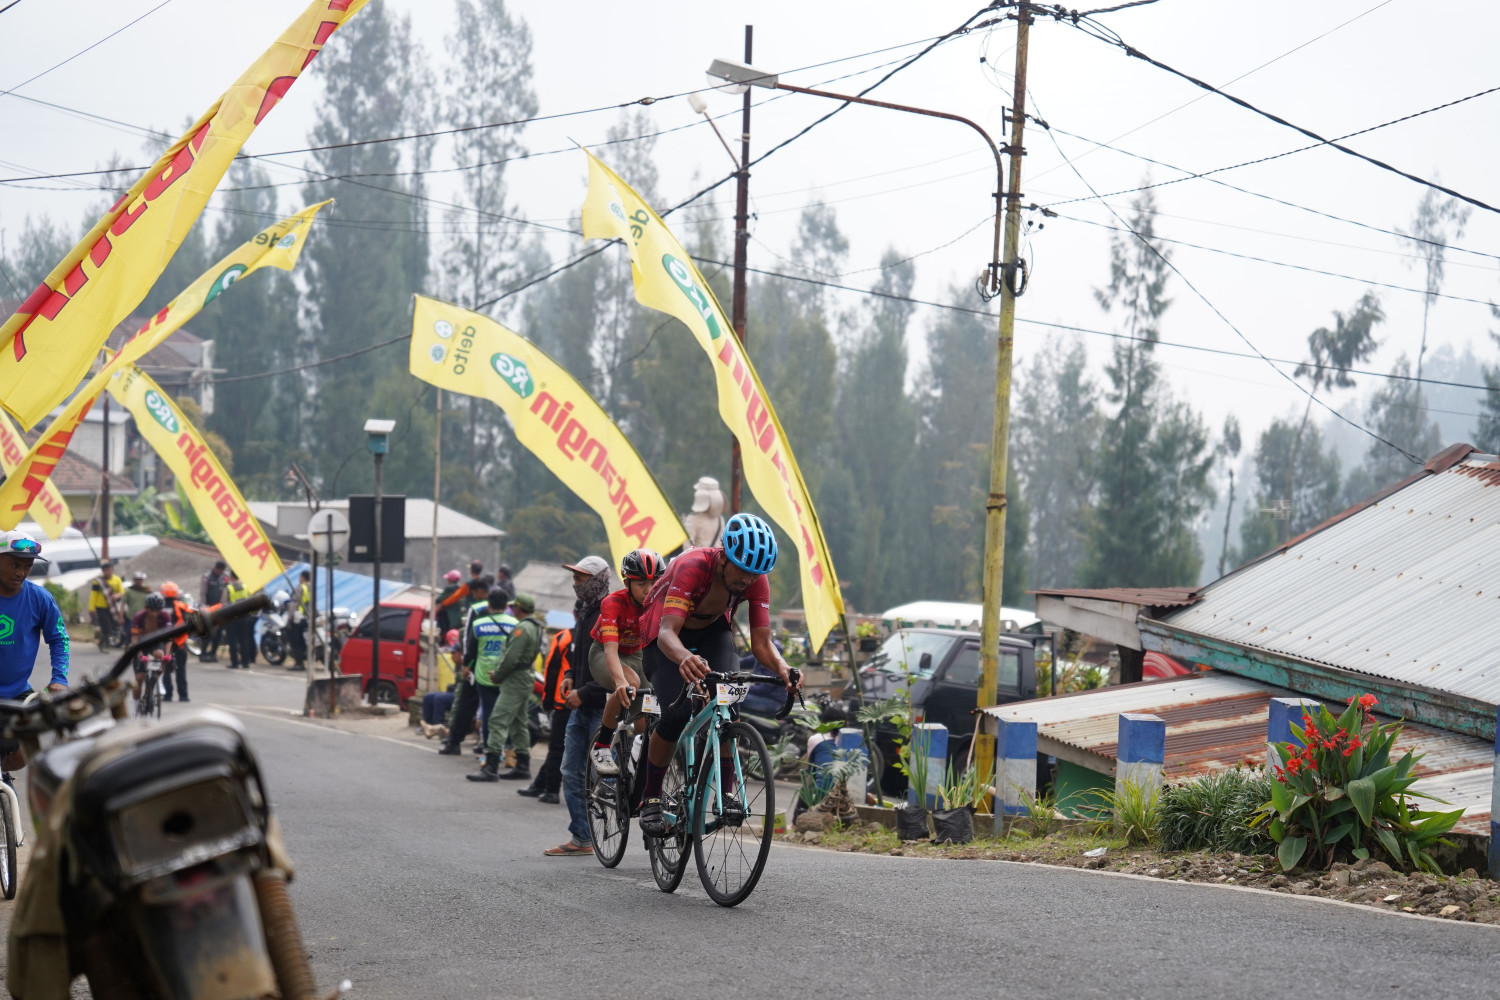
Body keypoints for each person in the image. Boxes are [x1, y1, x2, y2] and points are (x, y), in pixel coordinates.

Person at [635, 513, 799, 838]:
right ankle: (650, 797)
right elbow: (668, 633)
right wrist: (684, 656)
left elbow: (762, 643)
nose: (747, 580)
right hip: (664, 631)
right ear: (724, 557)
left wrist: (783, 668)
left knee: (729, 704)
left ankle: (725, 794)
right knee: (676, 714)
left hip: (712, 629)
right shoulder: (693, 565)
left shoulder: (756, 579)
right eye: (742, 570)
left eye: (755, 574)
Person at [546, 555, 611, 856]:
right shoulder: (585, 612)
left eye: (580, 579)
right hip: (579, 707)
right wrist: (571, 675)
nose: (575, 584)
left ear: (597, 581)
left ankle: (606, 829)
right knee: (571, 771)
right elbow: (579, 653)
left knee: (602, 775)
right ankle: (582, 836)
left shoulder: (610, 612)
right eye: (574, 578)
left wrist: (584, 692)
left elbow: (615, 663)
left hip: (603, 708)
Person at [589, 549, 665, 775]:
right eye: (641, 583)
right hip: (604, 652)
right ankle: (602, 745)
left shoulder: (660, 603)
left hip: (637, 654)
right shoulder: (613, 603)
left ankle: (635, 775)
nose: (648, 590)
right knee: (630, 684)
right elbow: (610, 650)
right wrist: (620, 681)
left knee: (649, 720)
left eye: (654, 583)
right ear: (627, 582)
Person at [0, 532, 69, 774]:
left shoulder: (40, 598)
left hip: (17, 694)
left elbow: (59, 639)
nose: (21, 572)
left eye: (27, 566)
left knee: (23, 755)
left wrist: (59, 678)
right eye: (15, 564)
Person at [468, 594, 542, 782]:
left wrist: (498, 674)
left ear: (518, 608)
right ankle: (522, 765)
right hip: (525, 677)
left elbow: (510, 657)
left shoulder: (522, 628)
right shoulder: (535, 626)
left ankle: (490, 768)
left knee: (497, 720)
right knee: (519, 722)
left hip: (515, 679)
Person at [519, 624, 572, 803]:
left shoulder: (564, 637)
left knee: (557, 749)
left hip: (564, 702)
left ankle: (551, 790)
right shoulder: (606, 634)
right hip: (593, 701)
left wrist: (547, 701)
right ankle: (540, 784)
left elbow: (551, 670)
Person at [437, 578, 491, 755]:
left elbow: (468, 639)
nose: (474, 597)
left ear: (479, 591)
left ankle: (454, 742)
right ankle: (488, 745)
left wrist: (467, 663)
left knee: (465, 704)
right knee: (492, 707)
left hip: (476, 666)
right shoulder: (506, 610)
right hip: (497, 669)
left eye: (474, 593)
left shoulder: (476, 609)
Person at [130, 593, 180, 691]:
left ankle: (159, 680)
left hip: (156, 642)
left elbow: (169, 638)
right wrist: (140, 654)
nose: (154, 613)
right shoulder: (138, 617)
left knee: (160, 654)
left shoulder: (165, 616)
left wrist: (168, 654)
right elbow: (135, 638)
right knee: (139, 679)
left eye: (158, 610)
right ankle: (136, 701)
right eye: (152, 610)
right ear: (146, 608)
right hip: (140, 643)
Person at [159, 581, 192, 702]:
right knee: (181, 668)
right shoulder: (181, 606)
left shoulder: (160, 607)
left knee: (166, 669)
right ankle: (183, 695)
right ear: (176, 592)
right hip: (180, 642)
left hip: (165, 642)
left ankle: (168, 695)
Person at [88, 560, 125, 645]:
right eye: (105, 570)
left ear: (112, 570)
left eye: (109, 569)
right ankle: (103, 642)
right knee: (106, 626)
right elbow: (93, 596)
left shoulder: (117, 580)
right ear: (103, 571)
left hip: (113, 607)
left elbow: (122, 591)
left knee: (113, 625)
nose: (107, 571)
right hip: (101, 607)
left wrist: (117, 596)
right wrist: (91, 609)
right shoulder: (98, 581)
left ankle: (105, 642)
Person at [200, 559, 228, 661]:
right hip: (209, 608)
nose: (221, 573)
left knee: (219, 633)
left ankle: (213, 654)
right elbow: (203, 593)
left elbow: (226, 589)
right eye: (220, 571)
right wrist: (204, 606)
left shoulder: (225, 576)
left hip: (220, 609)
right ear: (216, 568)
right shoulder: (207, 576)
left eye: (222, 571)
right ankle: (203, 654)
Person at [224, 569, 253, 668]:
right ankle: (245, 662)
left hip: (232, 618)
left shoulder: (228, 588)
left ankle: (235, 662)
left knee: (232, 641)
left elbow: (223, 604)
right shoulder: (245, 587)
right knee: (244, 640)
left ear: (231, 576)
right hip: (244, 616)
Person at [287, 570, 312, 671]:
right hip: (308, 618)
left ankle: (299, 663)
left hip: (298, 619)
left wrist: (289, 619)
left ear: (302, 577)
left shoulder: (300, 588)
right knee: (302, 642)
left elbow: (293, 604)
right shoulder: (311, 588)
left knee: (295, 642)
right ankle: (302, 661)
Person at [435, 569, 463, 634]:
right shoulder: (461, 590)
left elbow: (438, 600)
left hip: (449, 621)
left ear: (450, 580)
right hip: (459, 621)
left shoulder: (449, 589)